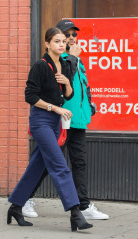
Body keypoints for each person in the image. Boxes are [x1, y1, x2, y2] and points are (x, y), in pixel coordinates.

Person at [7, 27, 93, 232]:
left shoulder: (63, 64)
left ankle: (16, 207)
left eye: (63, 41)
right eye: (56, 41)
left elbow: (68, 96)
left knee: (37, 166)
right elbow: (30, 96)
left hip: (55, 122)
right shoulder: (40, 65)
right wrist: (54, 108)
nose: (61, 44)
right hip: (41, 121)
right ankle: (75, 213)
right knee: (59, 165)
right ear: (47, 44)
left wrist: (67, 85)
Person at [23, 20, 109, 220]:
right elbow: (63, 81)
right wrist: (72, 57)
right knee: (47, 162)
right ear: (55, 40)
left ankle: (84, 205)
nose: (70, 39)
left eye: (73, 35)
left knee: (79, 163)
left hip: (78, 120)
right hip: (60, 119)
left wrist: (89, 106)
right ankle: (25, 198)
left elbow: (82, 87)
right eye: (65, 35)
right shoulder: (61, 60)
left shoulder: (76, 60)